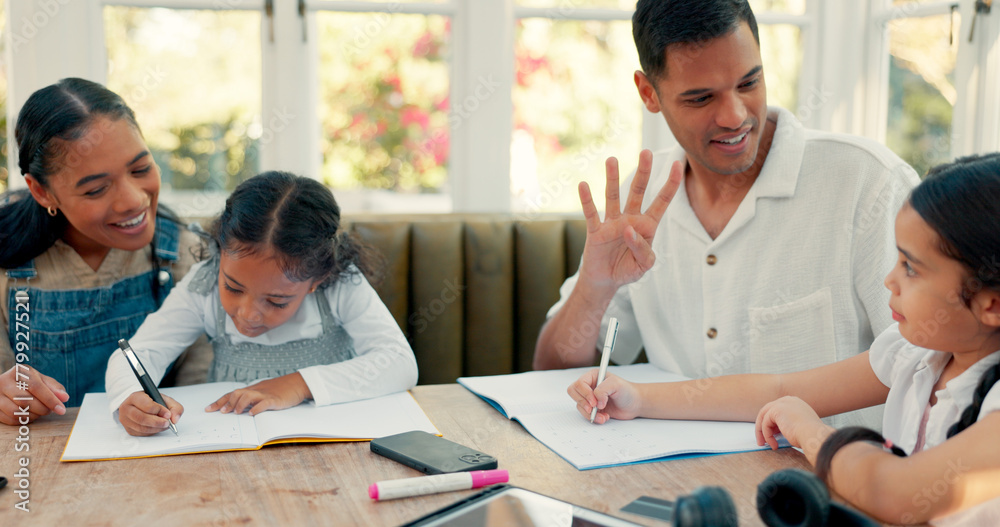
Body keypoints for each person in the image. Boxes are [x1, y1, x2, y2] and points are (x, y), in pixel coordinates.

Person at [533, 0, 920, 424]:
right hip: (673, 478)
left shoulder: (868, 184)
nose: (735, 116)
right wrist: (594, 285)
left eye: (749, 83)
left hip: (824, 482)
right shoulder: (638, 204)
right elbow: (552, 374)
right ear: (649, 94)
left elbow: (925, 361)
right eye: (701, 98)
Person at [569, 153, 1000, 525]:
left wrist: (808, 431)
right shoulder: (916, 352)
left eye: (911, 267)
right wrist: (639, 399)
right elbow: (779, 389)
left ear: (992, 304)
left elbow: (890, 490)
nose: (890, 279)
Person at [106, 171, 418, 436]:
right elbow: (138, 353)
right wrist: (129, 397)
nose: (248, 313)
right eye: (232, 287)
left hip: (332, 440)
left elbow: (399, 362)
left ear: (316, 280)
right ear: (220, 250)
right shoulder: (204, 282)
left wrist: (297, 385)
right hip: (233, 439)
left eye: (277, 300)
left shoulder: (340, 285)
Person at [0, 78, 202, 425]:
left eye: (140, 169)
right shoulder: (7, 269)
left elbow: (205, 388)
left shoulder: (186, 254)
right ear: (42, 191)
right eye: (96, 189)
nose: (134, 200)